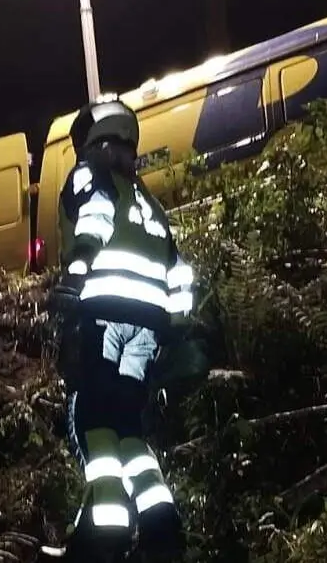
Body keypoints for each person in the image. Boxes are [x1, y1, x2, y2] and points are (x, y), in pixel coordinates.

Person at [45, 95, 195, 561]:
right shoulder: (148, 200)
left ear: (90, 139)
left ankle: (103, 537)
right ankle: (161, 528)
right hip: (147, 331)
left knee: (94, 421)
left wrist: (74, 277)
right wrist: (177, 327)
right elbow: (179, 271)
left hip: (103, 317)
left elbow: (94, 218)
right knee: (129, 429)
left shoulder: (89, 175)